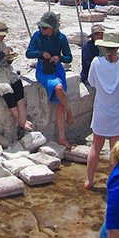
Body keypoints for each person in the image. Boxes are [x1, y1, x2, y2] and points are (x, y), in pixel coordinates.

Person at [85, 30, 119, 190]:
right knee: (116, 147)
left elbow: (91, 82)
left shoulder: (96, 62)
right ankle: (111, 181)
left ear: (104, 48)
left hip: (101, 110)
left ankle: (89, 180)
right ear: (117, 48)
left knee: (96, 145)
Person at [26, 12, 74, 147]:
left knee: (59, 104)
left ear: (53, 28)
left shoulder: (61, 38)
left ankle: (62, 137)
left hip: (57, 69)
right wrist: (41, 54)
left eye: (45, 28)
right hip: (43, 69)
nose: (42, 30)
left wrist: (59, 57)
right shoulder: (37, 36)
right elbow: (28, 53)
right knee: (58, 87)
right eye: (41, 28)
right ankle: (70, 112)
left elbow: (69, 57)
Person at [81, 24, 106, 90]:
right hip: (90, 75)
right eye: (100, 34)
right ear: (94, 35)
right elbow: (88, 65)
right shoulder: (87, 48)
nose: (102, 36)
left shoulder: (104, 46)